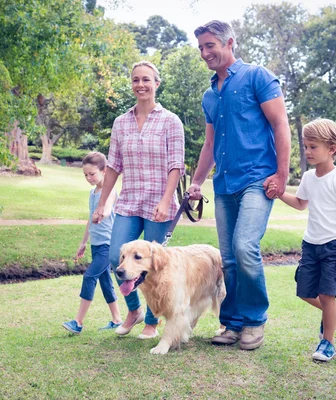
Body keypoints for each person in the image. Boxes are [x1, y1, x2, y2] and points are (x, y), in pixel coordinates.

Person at [187, 20, 291, 350]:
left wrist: (282, 174)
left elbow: (280, 124)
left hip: (257, 179)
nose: (205, 53)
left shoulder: (258, 77)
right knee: (229, 258)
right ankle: (231, 323)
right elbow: (209, 144)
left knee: (245, 246)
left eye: (210, 46)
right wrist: (196, 181)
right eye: (201, 47)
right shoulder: (209, 95)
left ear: (229, 42)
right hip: (225, 183)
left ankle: (255, 320)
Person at [93, 60, 185, 340]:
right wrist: (101, 203)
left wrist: (166, 200)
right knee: (113, 257)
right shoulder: (120, 123)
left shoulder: (170, 121)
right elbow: (113, 167)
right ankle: (132, 311)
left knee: (155, 266)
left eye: (146, 79)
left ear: (157, 84)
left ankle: (151, 321)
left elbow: (176, 165)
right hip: (129, 203)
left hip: (159, 204)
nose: (141, 85)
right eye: (136, 80)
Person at [268, 119, 336, 362]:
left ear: (331, 148)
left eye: (313, 147)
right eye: (306, 146)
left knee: (327, 294)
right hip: (311, 244)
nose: (307, 151)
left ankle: (327, 343)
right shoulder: (308, 178)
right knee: (305, 292)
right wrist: (279, 193)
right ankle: (333, 313)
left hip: (334, 246)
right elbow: (301, 204)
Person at [62, 152, 123, 334]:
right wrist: (83, 242)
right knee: (105, 282)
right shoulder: (92, 192)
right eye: (86, 175)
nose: (89, 178)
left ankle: (78, 322)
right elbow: (90, 218)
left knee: (89, 277)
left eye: (92, 174)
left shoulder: (110, 191)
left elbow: (108, 209)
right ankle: (117, 320)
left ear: (104, 171)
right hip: (96, 245)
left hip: (108, 245)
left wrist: (101, 214)